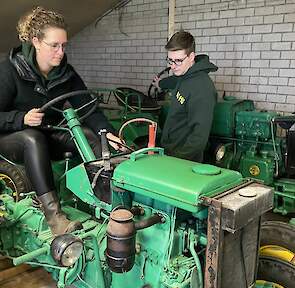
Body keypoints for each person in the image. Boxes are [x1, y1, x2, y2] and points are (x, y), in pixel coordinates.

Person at [0, 7, 124, 236]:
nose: (60, 52)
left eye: (63, 45)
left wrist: (107, 134)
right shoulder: (9, 71)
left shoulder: (66, 73)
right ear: (36, 42)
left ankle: (110, 206)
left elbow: (88, 108)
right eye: (54, 46)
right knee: (33, 138)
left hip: (47, 132)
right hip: (11, 137)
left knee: (89, 135)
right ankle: (54, 217)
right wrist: (20, 118)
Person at [154, 31, 218, 162]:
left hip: (183, 161)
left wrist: (178, 161)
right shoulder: (184, 75)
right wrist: (160, 83)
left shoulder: (202, 88)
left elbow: (199, 137)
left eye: (178, 61)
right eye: (170, 60)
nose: (172, 66)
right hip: (170, 152)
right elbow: (174, 80)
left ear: (191, 56)